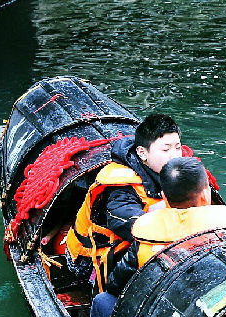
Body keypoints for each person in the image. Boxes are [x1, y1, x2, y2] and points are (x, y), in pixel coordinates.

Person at [88, 156, 226, 317]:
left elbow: (115, 285)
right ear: (205, 194)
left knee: (101, 301)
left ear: (163, 196)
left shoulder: (146, 236)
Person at [65, 113, 185, 292]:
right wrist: (167, 209)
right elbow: (124, 221)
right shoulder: (120, 187)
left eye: (178, 147)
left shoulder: (172, 170)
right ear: (142, 153)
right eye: (166, 150)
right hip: (90, 257)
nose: (174, 156)